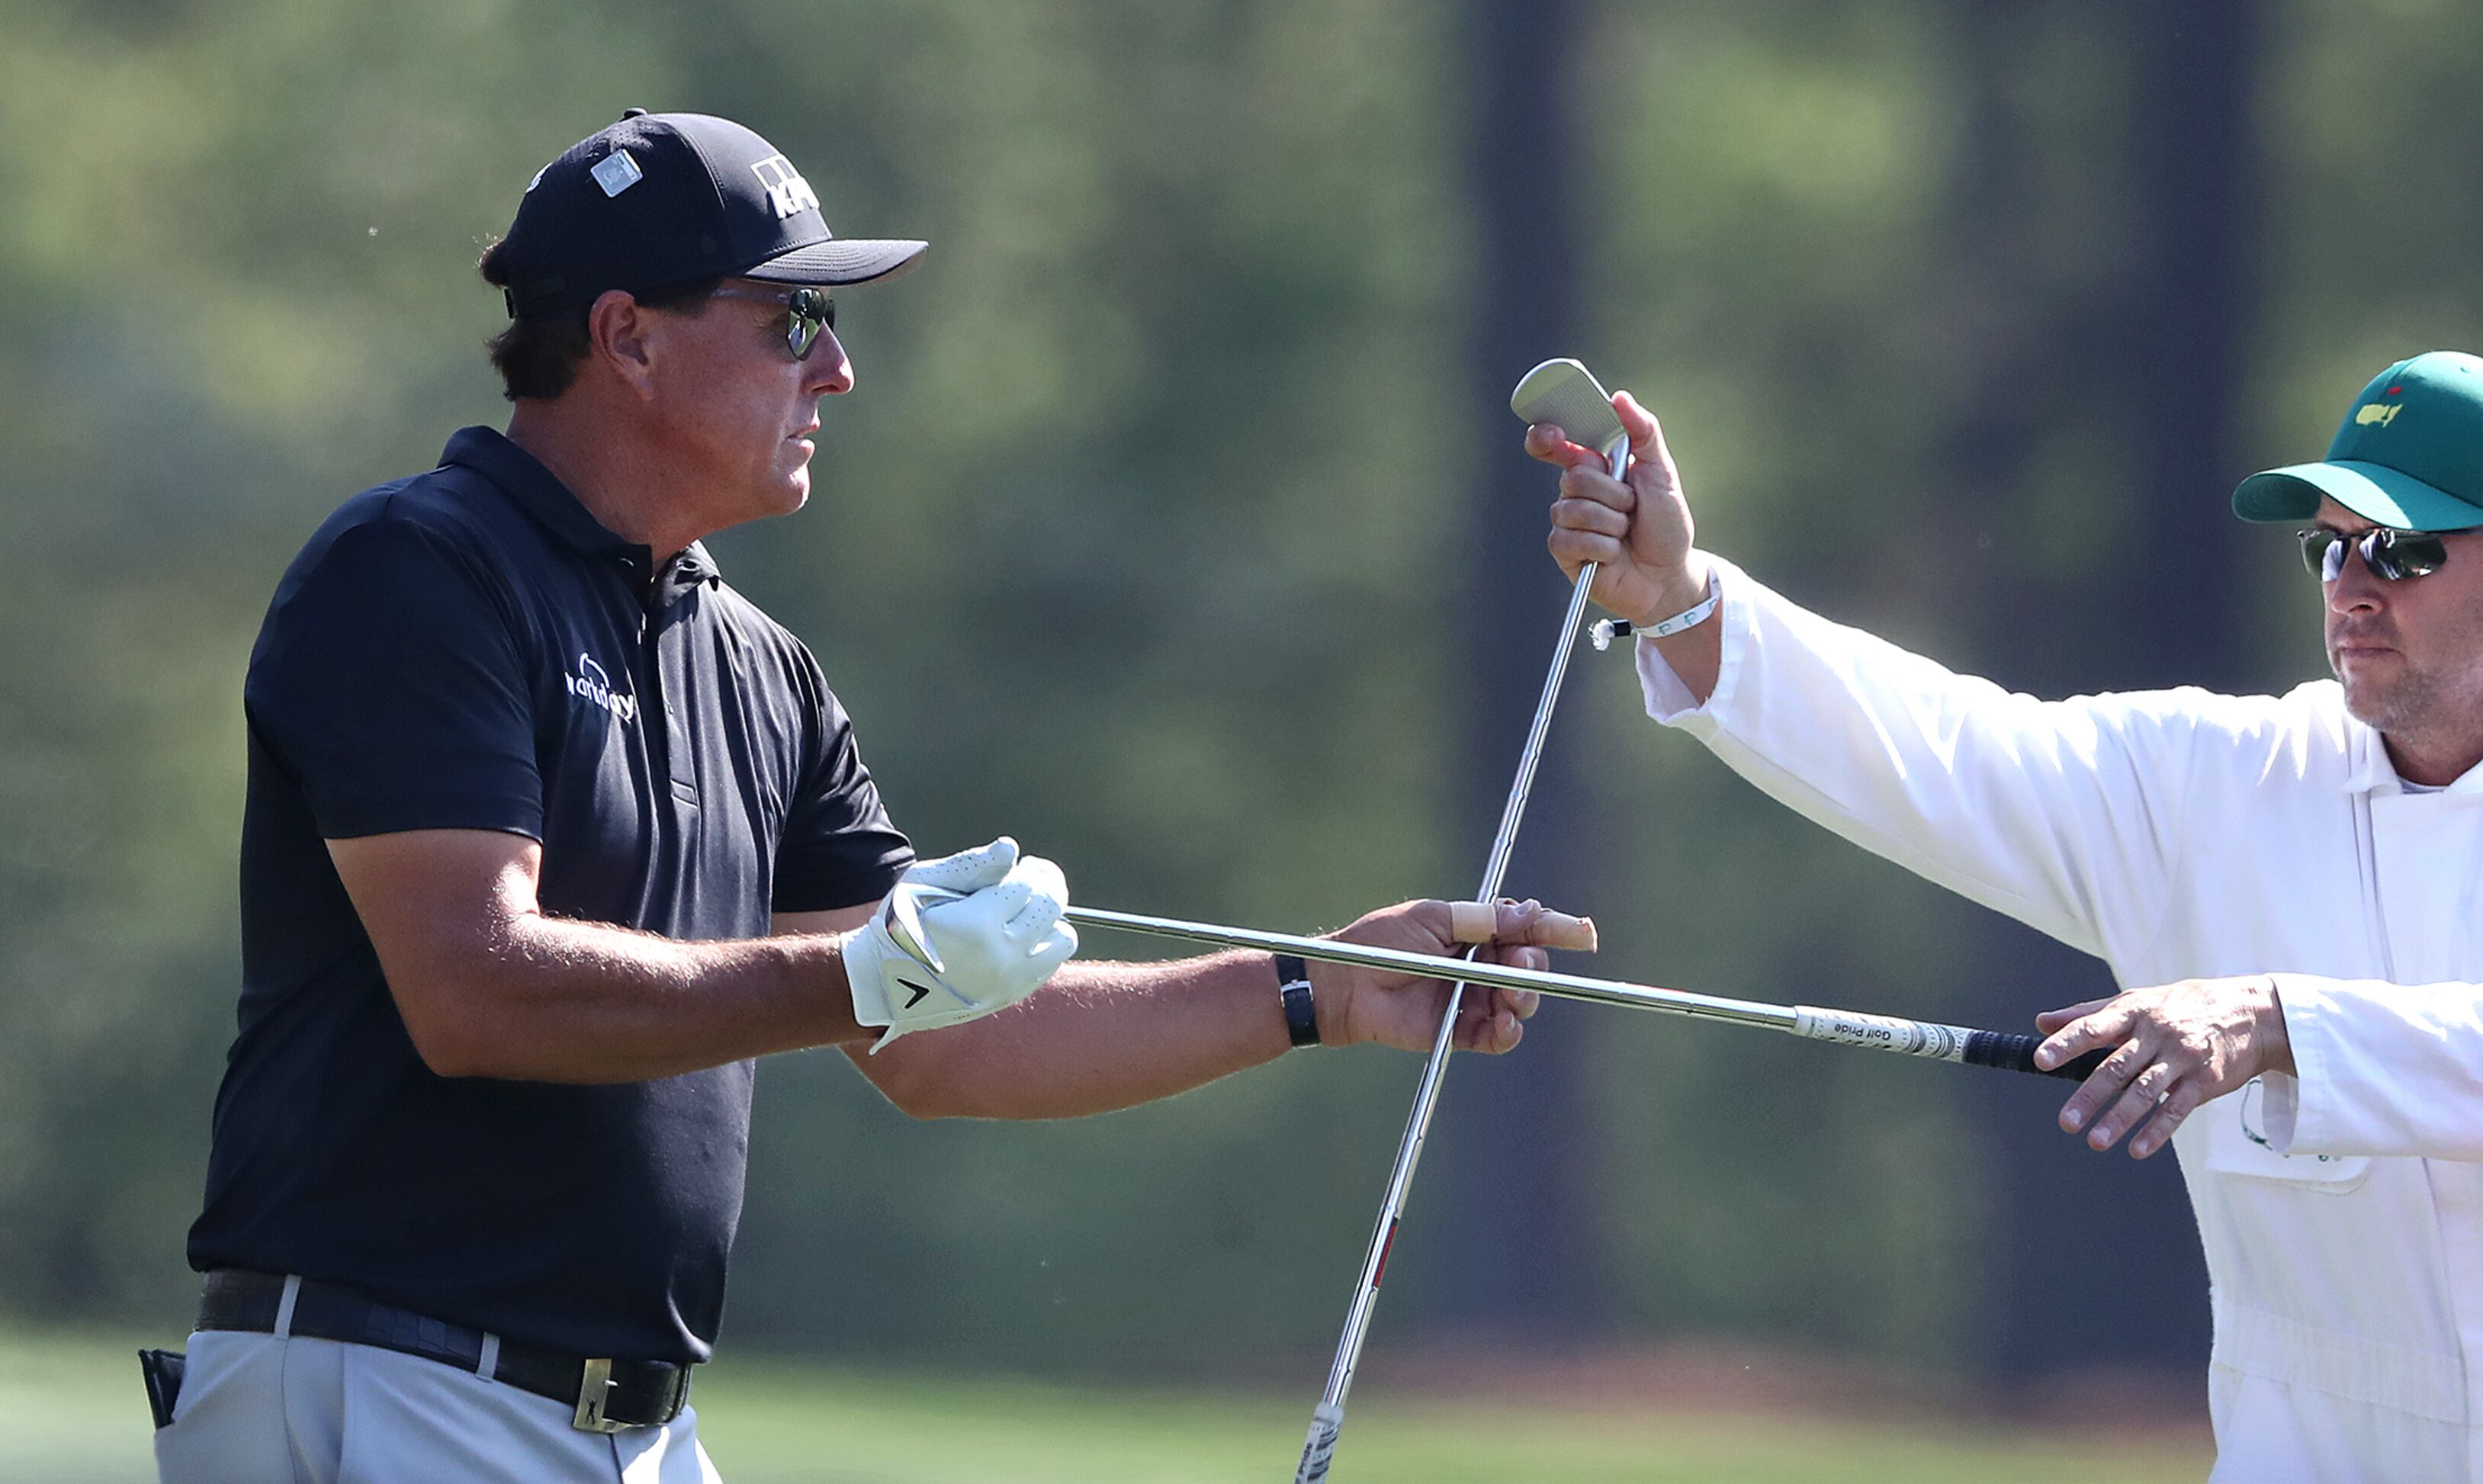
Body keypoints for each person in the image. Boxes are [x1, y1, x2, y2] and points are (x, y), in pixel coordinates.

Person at [156, 110, 1592, 1484]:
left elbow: (941, 1044)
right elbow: (478, 991)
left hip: (617, 1423)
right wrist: (868, 976)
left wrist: (1321, 986)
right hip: (389, 1383)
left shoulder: (760, 669)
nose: (835, 372)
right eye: (792, 322)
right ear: (627, 339)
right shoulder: (419, 571)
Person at [1531, 351, 2483, 1482]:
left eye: (2407, 550)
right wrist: (1682, 599)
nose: (2355, 585)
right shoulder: (2212, 778)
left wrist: (2274, 1022)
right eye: (2331, 544)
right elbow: (1937, 750)